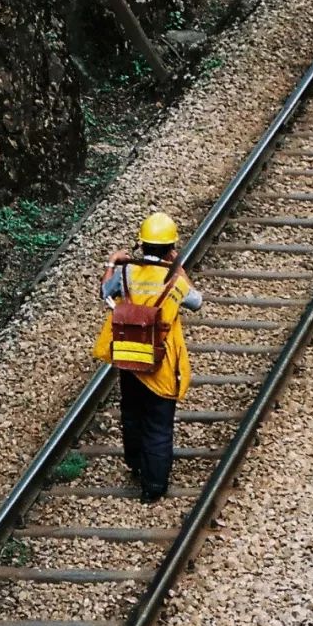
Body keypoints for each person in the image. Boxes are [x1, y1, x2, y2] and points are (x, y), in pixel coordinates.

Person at [92, 212, 203, 502]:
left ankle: (135, 463)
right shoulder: (172, 279)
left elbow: (105, 291)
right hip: (161, 361)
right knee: (158, 423)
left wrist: (111, 264)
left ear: (141, 245)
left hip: (130, 355)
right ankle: (153, 488)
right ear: (170, 248)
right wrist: (178, 267)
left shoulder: (127, 273)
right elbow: (196, 301)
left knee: (132, 414)